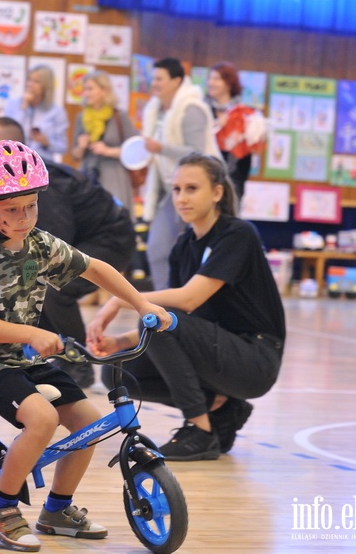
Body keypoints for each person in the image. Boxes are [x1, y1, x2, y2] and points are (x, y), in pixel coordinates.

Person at [0, 139, 171, 552]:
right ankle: (1, 508)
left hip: (25, 358)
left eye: (31, 205)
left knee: (89, 423)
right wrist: (32, 334)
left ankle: (57, 509)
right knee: (41, 420)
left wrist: (144, 303)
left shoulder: (40, 243)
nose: (24, 218)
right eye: (12, 210)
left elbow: (96, 269)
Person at [86, 154, 285, 462]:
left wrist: (120, 297)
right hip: (216, 351)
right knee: (118, 373)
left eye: (192, 188)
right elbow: (180, 320)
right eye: (176, 189)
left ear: (217, 193)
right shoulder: (183, 246)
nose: (181, 198)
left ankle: (200, 430)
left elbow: (188, 299)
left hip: (255, 359)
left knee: (155, 321)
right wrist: (118, 343)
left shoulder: (237, 234)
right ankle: (223, 409)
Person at [0, 116, 136, 389]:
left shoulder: (38, 182)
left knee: (54, 286)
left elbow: (56, 243)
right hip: (91, 235)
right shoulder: (9, 183)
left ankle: (78, 363)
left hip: (112, 237)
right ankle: (58, 353)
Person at [140, 57, 220, 290]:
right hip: (171, 190)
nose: (154, 83)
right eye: (152, 78)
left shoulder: (191, 109)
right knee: (157, 249)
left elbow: (197, 152)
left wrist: (161, 148)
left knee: (203, 253)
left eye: (159, 79)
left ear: (177, 81)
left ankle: (196, 304)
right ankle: (165, 305)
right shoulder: (155, 110)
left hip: (201, 191)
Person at [71, 70, 138, 218]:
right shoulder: (81, 117)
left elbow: (135, 150)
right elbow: (74, 155)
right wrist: (81, 147)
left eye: (90, 89)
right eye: (84, 89)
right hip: (88, 174)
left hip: (114, 175)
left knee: (114, 218)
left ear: (104, 90)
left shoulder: (119, 116)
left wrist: (109, 151)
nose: (86, 93)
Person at [205, 61, 266, 201]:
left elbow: (252, 150)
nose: (211, 82)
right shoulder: (202, 109)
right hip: (206, 175)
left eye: (216, 79)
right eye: (210, 78)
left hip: (234, 178)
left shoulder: (244, 113)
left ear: (229, 83)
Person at [1, 64, 69, 159]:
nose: (30, 84)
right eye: (29, 80)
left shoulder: (56, 111)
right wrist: (23, 109)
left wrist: (46, 142)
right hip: (14, 159)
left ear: (46, 86)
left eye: (36, 82)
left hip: (43, 162)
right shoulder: (12, 104)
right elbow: (7, 134)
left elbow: (62, 148)